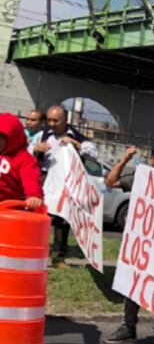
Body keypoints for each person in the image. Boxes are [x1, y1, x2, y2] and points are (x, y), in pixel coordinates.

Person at [103, 144, 154, 344]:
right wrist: (125, 158)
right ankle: (128, 327)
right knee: (132, 285)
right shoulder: (140, 177)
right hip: (140, 244)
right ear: (153, 159)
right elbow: (110, 181)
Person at [38, 106, 100, 266]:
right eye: (49, 120)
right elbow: (29, 150)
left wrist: (75, 143)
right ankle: (38, 249)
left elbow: (94, 154)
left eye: (55, 120)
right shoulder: (44, 134)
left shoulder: (76, 136)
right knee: (40, 215)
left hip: (67, 182)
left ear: (65, 120)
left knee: (62, 219)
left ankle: (59, 255)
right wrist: (37, 150)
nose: (51, 123)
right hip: (46, 179)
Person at [0, 113, 43, 209]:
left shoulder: (24, 159)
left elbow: (31, 178)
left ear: (12, 137)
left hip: (7, 208)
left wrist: (34, 195)